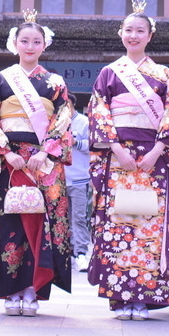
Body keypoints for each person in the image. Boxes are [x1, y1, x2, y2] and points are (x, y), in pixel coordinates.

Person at [88, 2, 169, 321]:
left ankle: (144, 296)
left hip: (152, 161)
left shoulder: (164, 74)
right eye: (128, 30)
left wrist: (158, 150)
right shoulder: (109, 73)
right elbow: (99, 111)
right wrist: (115, 148)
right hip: (120, 159)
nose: (133, 35)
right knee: (121, 224)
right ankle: (120, 294)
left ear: (150, 35)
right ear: (120, 34)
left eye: (139, 30)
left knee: (148, 227)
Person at [0, 14, 73, 316]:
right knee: (9, 222)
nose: (30, 46)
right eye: (24, 41)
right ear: (14, 44)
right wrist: (6, 153)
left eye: (36, 41)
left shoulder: (55, 82)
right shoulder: (1, 79)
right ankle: (11, 289)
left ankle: (34, 288)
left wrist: (45, 152)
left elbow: (64, 119)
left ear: (45, 45)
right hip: (10, 162)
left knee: (40, 224)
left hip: (42, 163)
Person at [65, 107, 92, 271]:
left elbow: (95, 144)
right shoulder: (55, 120)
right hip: (59, 178)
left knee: (79, 218)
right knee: (61, 220)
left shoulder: (84, 122)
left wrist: (76, 142)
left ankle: (81, 253)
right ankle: (67, 252)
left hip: (79, 179)